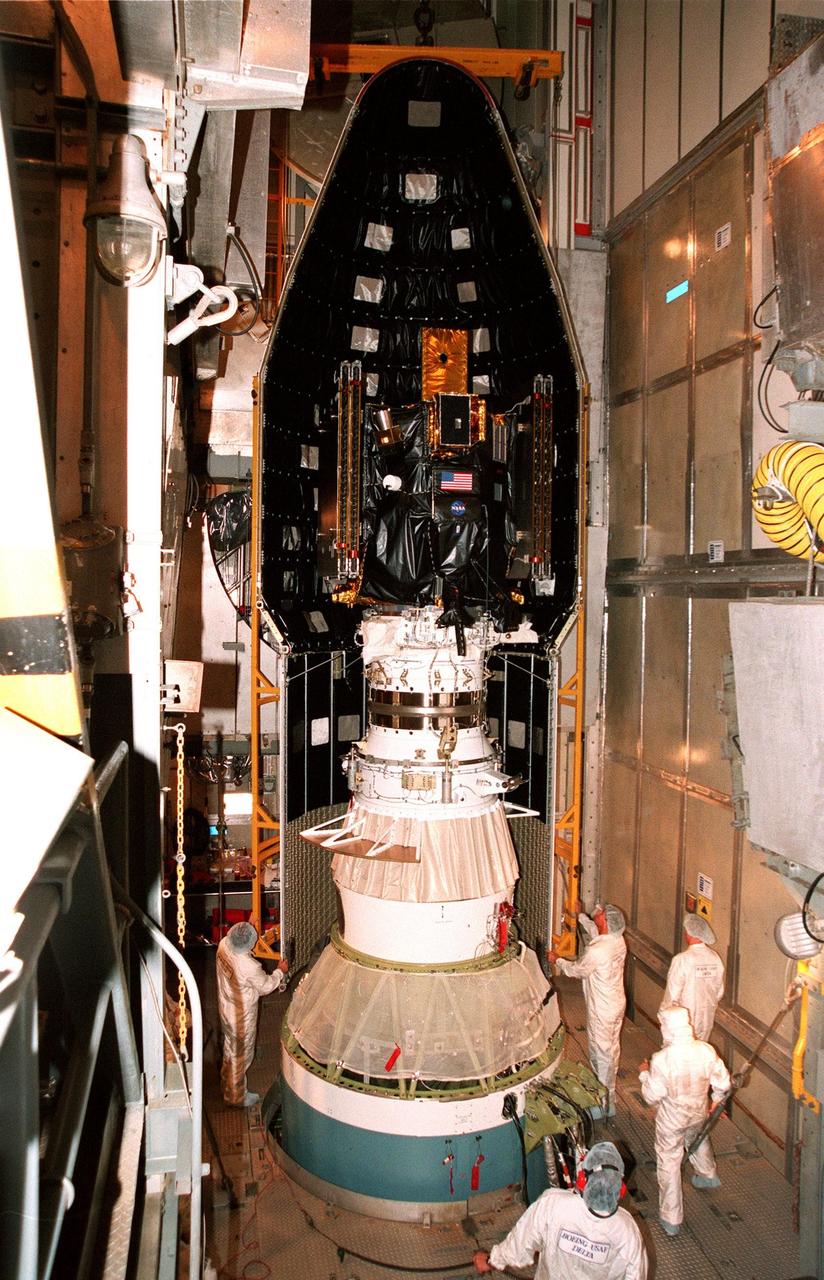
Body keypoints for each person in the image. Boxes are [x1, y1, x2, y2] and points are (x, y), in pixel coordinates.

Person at [473, 1140, 647, 1279]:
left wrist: (491, 1260)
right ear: (620, 1190)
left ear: (581, 1180)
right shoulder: (627, 1230)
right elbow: (636, 1274)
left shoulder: (553, 1204)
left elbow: (519, 1245)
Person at [639, 1004, 731, 1237]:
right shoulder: (706, 1051)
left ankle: (671, 1218)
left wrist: (644, 1073)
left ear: (667, 1028)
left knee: (669, 1161)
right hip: (698, 1113)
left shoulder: (662, 1059)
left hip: (672, 1121)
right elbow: (723, 1083)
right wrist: (715, 1102)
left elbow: (651, 1096)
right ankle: (708, 1175)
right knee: (698, 1139)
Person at [548, 903, 627, 1116]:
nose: (598, 913)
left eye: (601, 913)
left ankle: (603, 1104)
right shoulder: (617, 940)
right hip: (616, 1003)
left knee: (601, 1054)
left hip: (602, 1009)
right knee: (612, 1050)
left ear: (606, 921)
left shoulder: (598, 951)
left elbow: (577, 970)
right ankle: (608, 1097)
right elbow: (596, 932)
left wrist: (558, 960)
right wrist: (581, 915)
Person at [216, 921, 288, 1107]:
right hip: (241, 1019)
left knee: (231, 1049)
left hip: (226, 1007)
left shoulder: (223, 945)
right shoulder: (249, 966)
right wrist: (280, 971)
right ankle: (236, 1097)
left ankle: (227, 1083)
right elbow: (266, 986)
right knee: (241, 1057)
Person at [659, 912, 724, 1043]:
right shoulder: (715, 958)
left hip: (683, 1021)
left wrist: (663, 1014)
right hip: (707, 1019)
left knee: (678, 1053)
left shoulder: (682, 959)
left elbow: (672, 994)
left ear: (689, 933)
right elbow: (719, 991)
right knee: (700, 1051)